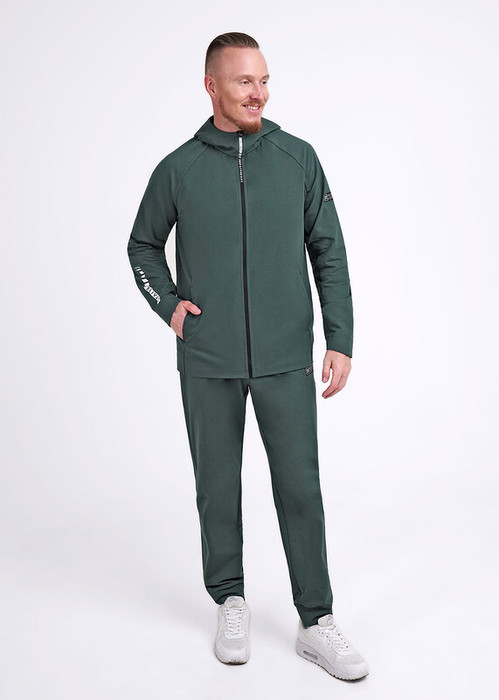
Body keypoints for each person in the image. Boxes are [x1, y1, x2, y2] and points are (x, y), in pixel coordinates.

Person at [127, 32, 369, 681]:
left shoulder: (297, 159)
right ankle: (229, 600)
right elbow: (142, 246)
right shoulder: (178, 168)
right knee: (217, 487)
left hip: (286, 355)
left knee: (300, 486)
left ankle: (315, 620)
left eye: (263, 80)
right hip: (207, 357)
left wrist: (339, 337)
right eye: (243, 81)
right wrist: (169, 306)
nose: (258, 92)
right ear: (211, 86)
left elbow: (329, 250)